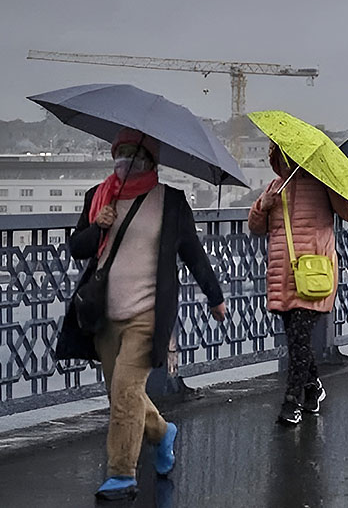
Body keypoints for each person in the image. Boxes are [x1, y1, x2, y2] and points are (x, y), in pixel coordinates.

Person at [55, 129, 227, 501]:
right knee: (121, 395)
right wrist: (98, 224)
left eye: (135, 153)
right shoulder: (98, 198)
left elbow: (193, 254)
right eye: (122, 152)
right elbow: (77, 248)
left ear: (151, 160)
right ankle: (163, 432)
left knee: (126, 391)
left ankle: (121, 474)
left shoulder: (171, 202)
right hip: (105, 315)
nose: (126, 159)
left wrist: (215, 297)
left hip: (148, 314)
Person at [249, 142, 348, 426]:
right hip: (281, 273)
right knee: (296, 340)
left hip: (313, 273)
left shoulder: (322, 185)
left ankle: (292, 401)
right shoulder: (274, 187)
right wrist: (263, 207)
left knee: (299, 336)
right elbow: (255, 227)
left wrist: (337, 191)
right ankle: (313, 388)